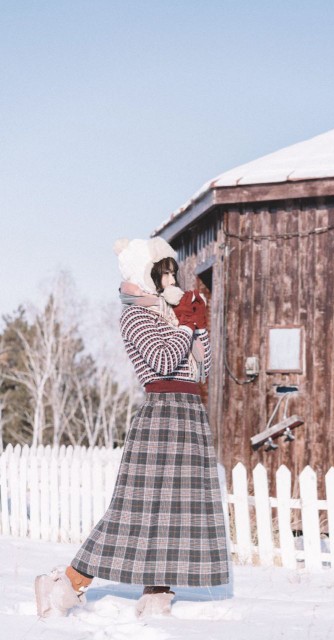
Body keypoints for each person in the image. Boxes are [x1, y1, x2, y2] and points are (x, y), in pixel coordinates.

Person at [35, 237, 230, 618]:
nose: (170, 278)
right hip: (160, 412)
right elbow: (162, 360)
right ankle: (65, 584)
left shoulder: (170, 315)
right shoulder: (135, 316)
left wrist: (199, 327)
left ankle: (158, 592)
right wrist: (187, 329)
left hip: (190, 411)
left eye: (173, 271)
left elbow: (200, 369)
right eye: (163, 272)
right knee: (134, 510)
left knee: (180, 508)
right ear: (146, 275)